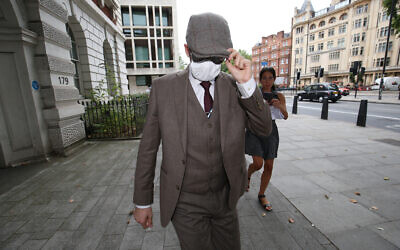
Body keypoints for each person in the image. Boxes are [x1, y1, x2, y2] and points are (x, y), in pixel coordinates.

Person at [133, 13, 272, 250]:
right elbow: (148, 148)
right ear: (187, 51)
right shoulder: (164, 88)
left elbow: (264, 129)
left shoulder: (235, 87)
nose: (209, 64)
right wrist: (142, 201)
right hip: (185, 202)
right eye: (202, 56)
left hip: (225, 199)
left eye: (216, 58)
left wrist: (248, 84)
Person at [245, 67, 288, 211]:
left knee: (269, 166)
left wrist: (279, 105)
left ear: (274, 79)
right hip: (255, 130)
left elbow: (286, 115)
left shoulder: (279, 96)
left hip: (271, 131)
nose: (267, 81)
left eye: (270, 78)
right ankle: (248, 174)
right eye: (264, 78)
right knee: (258, 164)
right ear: (260, 80)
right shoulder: (255, 93)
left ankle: (262, 194)